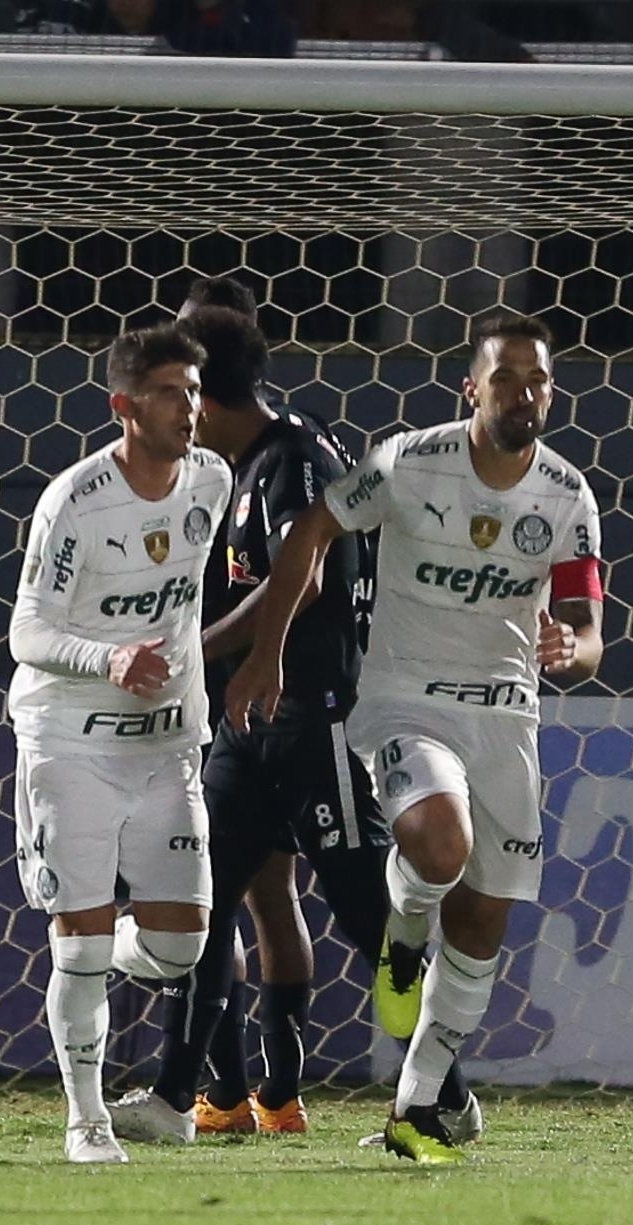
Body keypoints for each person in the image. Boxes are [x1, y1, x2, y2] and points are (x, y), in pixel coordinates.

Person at [225, 311, 604, 1166]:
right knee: (439, 844)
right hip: (407, 701)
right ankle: (403, 934)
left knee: (482, 927)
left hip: (507, 714)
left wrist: (567, 650)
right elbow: (318, 527)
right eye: (505, 377)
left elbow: (589, 631)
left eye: (537, 379)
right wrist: (269, 651)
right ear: (472, 387)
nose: (523, 393)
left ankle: (416, 1108)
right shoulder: (409, 461)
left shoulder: (566, 494)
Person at [107, 304, 480, 1143]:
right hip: (250, 727)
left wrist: (212, 650)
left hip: (319, 724)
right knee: (197, 902)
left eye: (184, 382)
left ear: (207, 392)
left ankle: (445, 1092)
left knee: (363, 915)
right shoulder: (248, 458)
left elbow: (301, 578)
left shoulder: (292, 457)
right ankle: (179, 1100)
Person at [8, 323, 231, 1163]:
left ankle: (98, 953)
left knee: (182, 947)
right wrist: (107, 657)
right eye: (173, 393)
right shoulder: (76, 501)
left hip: (167, 743)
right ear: (125, 406)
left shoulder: (211, 477)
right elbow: (27, 629)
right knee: (85, 941)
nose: (192, 409)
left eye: (197, 392)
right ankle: (86, 1120)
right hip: (71, 739)